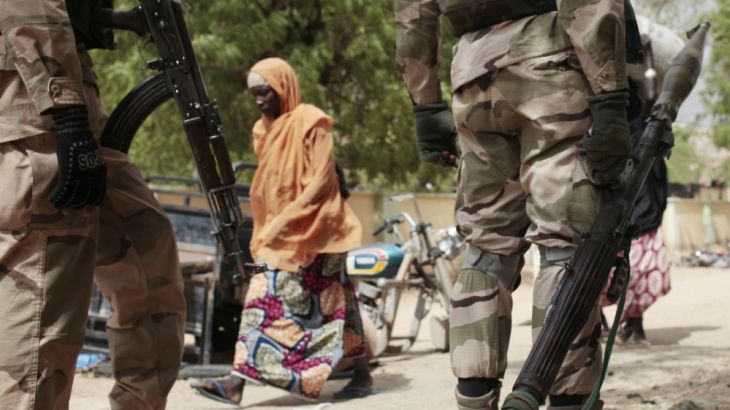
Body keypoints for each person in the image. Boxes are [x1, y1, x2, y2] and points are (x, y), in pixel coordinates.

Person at [395, 1, 639, 409]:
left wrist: (426, 105)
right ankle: (568, 400)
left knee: (485, 249)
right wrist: (611, 101)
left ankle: (474, 399)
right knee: (566, 246)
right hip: (550, 63)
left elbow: (413, 12)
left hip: (473, 73)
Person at [0, 1, 186, 409]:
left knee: (148, 254)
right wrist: (65, 112)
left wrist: (118, 19)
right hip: (35, 119)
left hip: (79, 117)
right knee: (40, 331)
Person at [190, 57, 373, 404]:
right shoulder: (263, 131)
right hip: (280, 235)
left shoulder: (312, 122)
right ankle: (359, 373)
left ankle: (237, 382)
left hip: (320, 230)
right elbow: (272, 186)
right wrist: (271, 225)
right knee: (331, 301)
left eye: (265, 92)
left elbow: (321, 182)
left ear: (284, 88)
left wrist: (283, 222)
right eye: (254, 95)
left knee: (306, 301)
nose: (259, 101)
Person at [611, 17, 683, 347]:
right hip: (622, 196)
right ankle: (608, 325)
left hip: (646, 198)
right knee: (611, 268)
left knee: (644, 269)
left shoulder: (645, 106)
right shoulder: (615, 107)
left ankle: (634, 324)